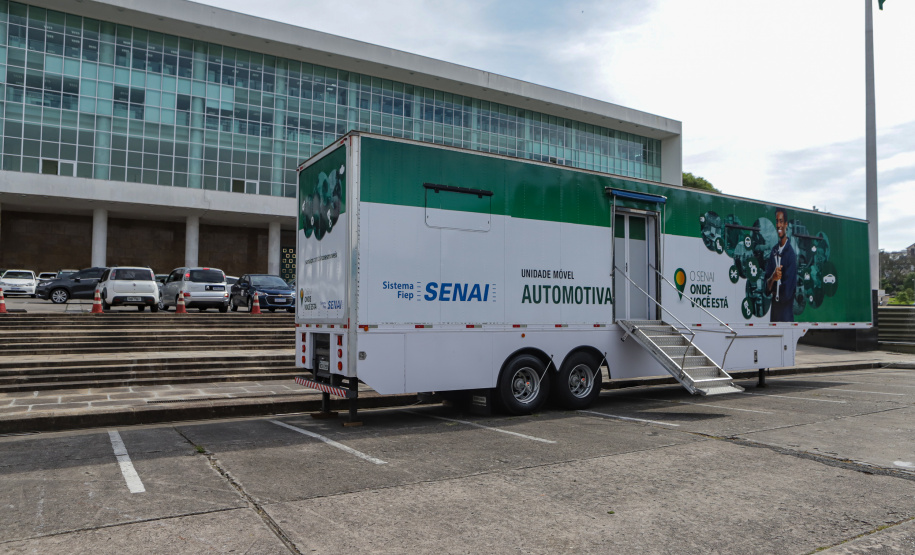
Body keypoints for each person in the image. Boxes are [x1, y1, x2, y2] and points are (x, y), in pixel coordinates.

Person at [764, 207, 798, 322]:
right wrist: (773, 278)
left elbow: (787, 293)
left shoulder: (790, 255)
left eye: (781, 221)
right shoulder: (774, 251)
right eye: (777, 221)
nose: (778, 225)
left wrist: (773, 287)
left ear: (786, 224)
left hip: (786, 318)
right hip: (774, 317)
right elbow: (766, 288)